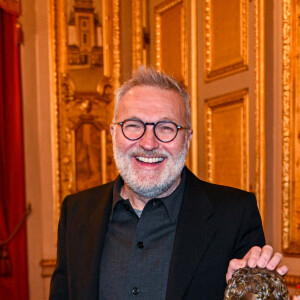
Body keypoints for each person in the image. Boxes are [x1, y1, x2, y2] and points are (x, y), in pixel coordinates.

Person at [49, 67, 288, 300]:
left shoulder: (235, 215)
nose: (149, 143)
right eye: (133, 125)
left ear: (188, 138)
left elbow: (252, 290)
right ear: (113, 133)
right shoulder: (76, 212)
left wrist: (250, 293)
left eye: (166, 128)